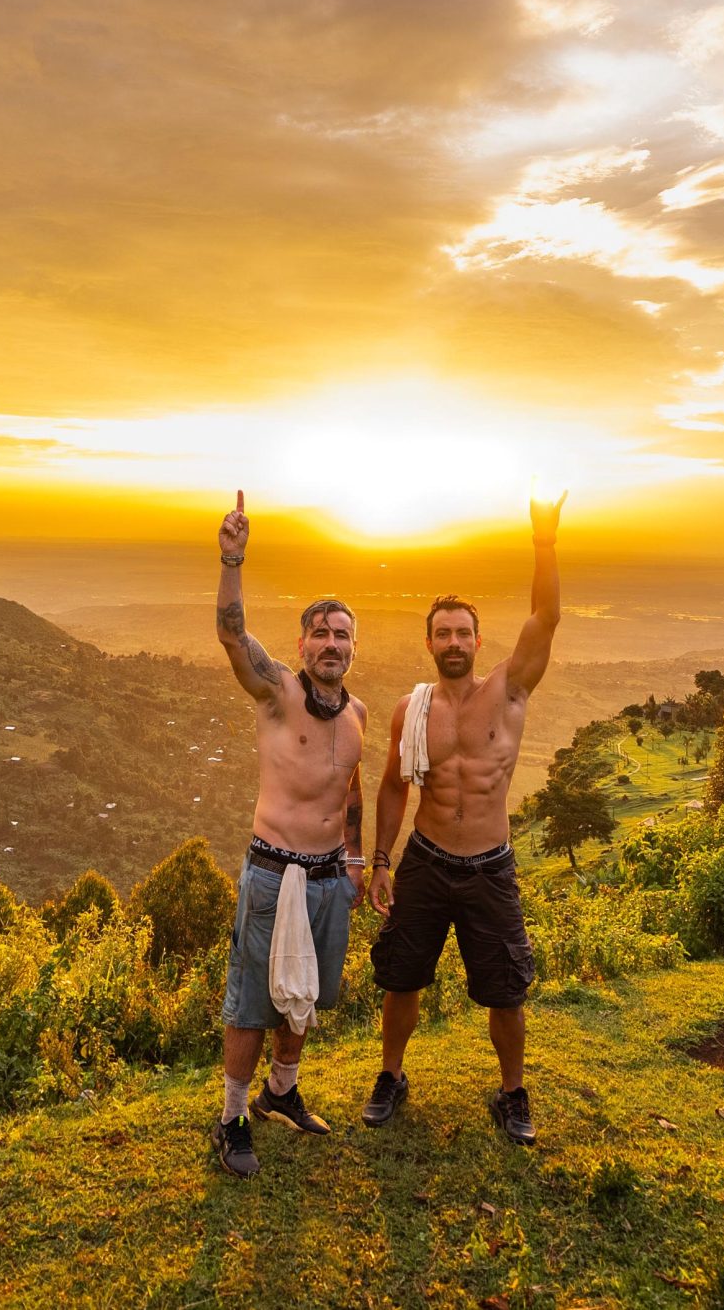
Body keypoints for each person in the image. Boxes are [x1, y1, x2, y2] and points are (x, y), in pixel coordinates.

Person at [363, 492, 562, 1145]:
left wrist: (543, 542)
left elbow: (547, 616)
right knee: (402, 977)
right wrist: (383, 860)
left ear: (479, 642)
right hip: (424, 861)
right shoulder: (411, 711)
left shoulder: (508, 692)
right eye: (443, 632)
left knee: (506, 988)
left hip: (489, 867)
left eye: (463, 633)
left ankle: (512, 1093)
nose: (454, 642)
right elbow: (394, 786)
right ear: (430, 642)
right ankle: (391, 1075)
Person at [208, 489, 367, 1178]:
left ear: (352, 647)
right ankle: (232, 1116)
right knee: (251, 1000)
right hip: (274, 873)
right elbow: (231, 636)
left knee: (303, 994)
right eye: (321, 634)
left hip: (331, 876)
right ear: (302, 643)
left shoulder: (358, 711)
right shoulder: (277, 692)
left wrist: (358, 860)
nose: (331, 645)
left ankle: (282, 1090)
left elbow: (352, 788)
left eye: (342, 636)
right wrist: (233, 558)